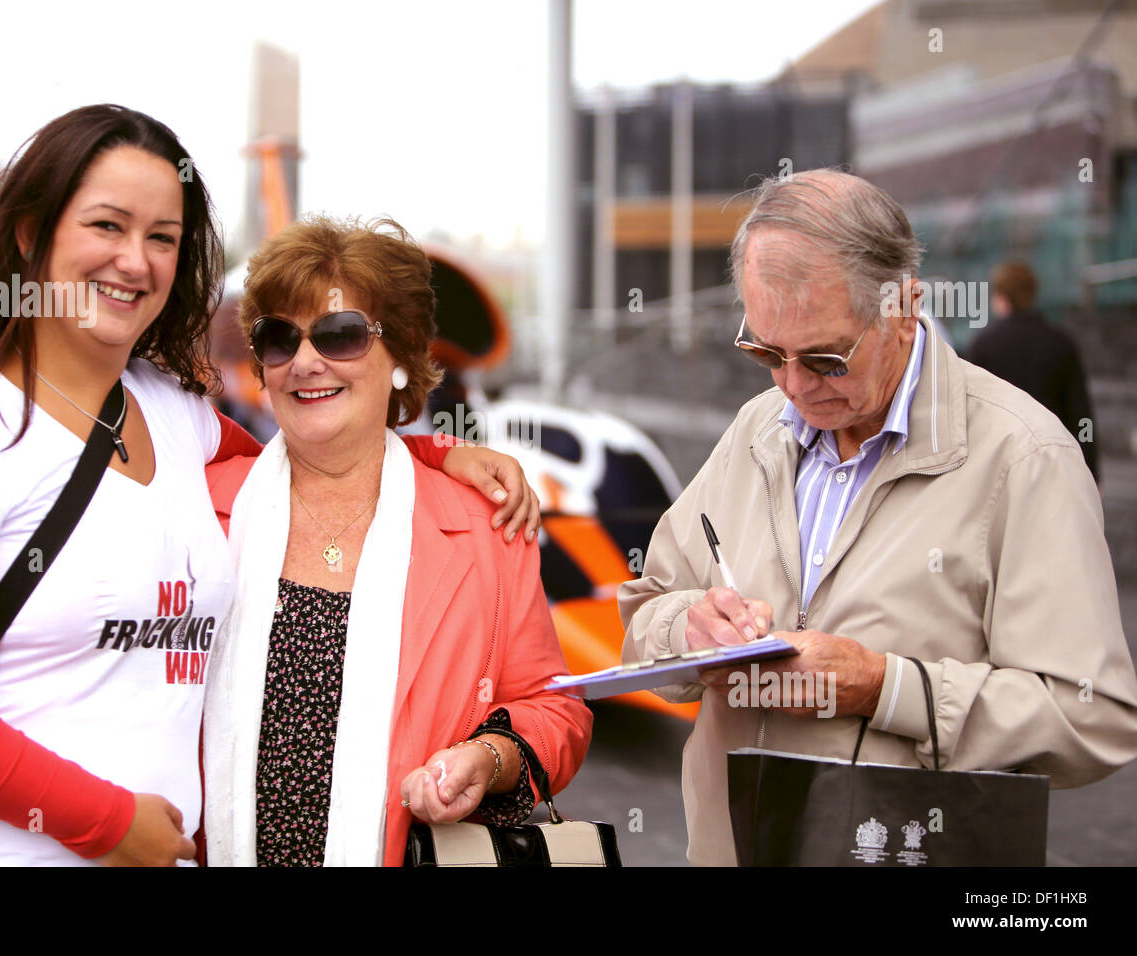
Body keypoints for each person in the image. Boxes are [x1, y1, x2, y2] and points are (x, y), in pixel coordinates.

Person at [0, 105, 540, 867]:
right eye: (106, 226)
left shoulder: (174, 416)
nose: (135, 261)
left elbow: (316, 446)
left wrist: (439, 455)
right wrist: (100, 821)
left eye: (162, 238)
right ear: (30, 234)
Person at [619, 169, 1137, 867]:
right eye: (767, 353)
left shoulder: (1023, 456)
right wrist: (691, 626)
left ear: (904, 306)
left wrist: (885, 687)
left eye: (826, 358)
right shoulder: (755, 430)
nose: (795, 386)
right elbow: (645, 608)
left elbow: (1094, 716)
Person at [201, 215, 592, 866]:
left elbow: (556, 708)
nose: (304, 361)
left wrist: (489, 757)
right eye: (279, 338)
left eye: (340, 335)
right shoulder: (197, 506)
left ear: (403, 359)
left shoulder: (485, 525)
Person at [967, 259, 1099, 481]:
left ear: (1000, 298)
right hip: (1056, 464)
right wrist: (1090, 466)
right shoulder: (1061, 343)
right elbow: (1082, 416)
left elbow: (971, 416)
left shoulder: (983, 345)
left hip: (1001, 469)